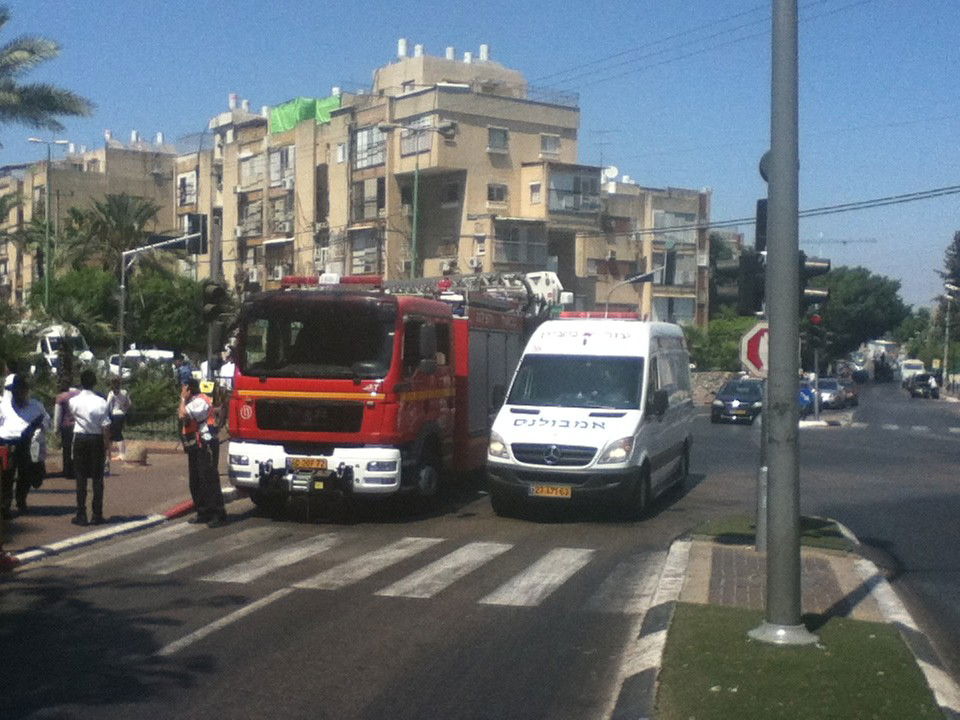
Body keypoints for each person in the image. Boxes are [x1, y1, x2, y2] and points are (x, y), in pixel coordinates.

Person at [0, 374, 50, 518]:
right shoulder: (3, 407)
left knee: (26, 474)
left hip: (26, 444)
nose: (19, 394)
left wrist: (40, 428)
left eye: (21, 390)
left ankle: (21, 500)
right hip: (6, 443)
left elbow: (47, 421)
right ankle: (5, 506)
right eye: (15, 391)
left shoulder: (36, 406)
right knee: (6, 476)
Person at [179, 378, 226, 528]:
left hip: (207, 443)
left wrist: (182, 399)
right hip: (197, 443)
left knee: (209, 478)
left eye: (183, 387)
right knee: (196, 478)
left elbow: (182, 414)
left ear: (189, 389)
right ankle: (203, 511)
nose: (181, 390)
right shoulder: (192, 401)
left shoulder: (200, 401)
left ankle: (217, 513)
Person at [68, 369, 111, 526]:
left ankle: (81, 514)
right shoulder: (101, 402)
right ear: (94, 383)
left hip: (80, 438)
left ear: (81, 382)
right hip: (96, 439)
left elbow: (73, 415)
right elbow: (106, 426)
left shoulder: (74, 401)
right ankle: (97, 514)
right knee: (97, 478)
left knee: (81, 478)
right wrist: (107, 447)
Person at [53, 379, 80, 478]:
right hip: (79, 426)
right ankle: (78, 470)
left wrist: (56, 429)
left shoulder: (61, 397)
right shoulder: (80, 394)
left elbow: (57, 414)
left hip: (67, 426)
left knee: (67, 449)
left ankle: (67, 471)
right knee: (77, 449)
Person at [106, 377, 132, 462]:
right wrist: (124, 410)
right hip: (121, 414)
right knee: (116, 434)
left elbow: (107, 405)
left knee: (113, 435)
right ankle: (114, 454)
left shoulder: (111, 393)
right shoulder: (124, 392)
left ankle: (121, 454)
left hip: (114, 415)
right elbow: (129, 403)